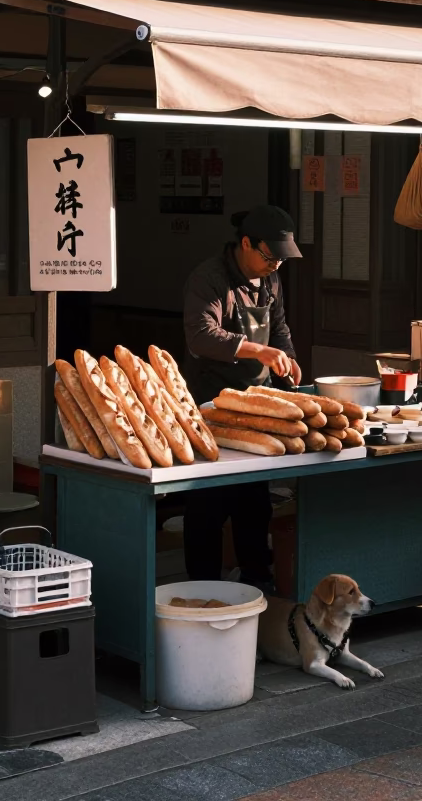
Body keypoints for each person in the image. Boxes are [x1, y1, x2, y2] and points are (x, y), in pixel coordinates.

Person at [181, 205, 303, 589]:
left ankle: (256, 585)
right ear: (246, 243)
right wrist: (257, 351)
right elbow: (200, 335)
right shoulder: (209, 278)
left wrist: (289, 359)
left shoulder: (271, 279)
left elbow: (278, 326)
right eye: (270, 257)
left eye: (282, 260)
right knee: (207, 505)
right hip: (211, 406)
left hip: (256, 404)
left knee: (253, 503)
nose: (275, 266)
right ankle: (201, 589)